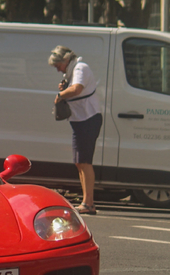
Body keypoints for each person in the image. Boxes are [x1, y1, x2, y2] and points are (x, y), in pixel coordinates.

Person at [49, 45, 102, 215]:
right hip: (80, 120)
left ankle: (89, 203)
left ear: (65, 61)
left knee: (85, 162)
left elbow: (77, 89)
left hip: (88, 119)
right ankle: (87, 201)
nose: (58, 70)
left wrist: (60, 95)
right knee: (80, 162)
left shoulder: (80, 68)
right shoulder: (72, 71)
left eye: (58, 66)